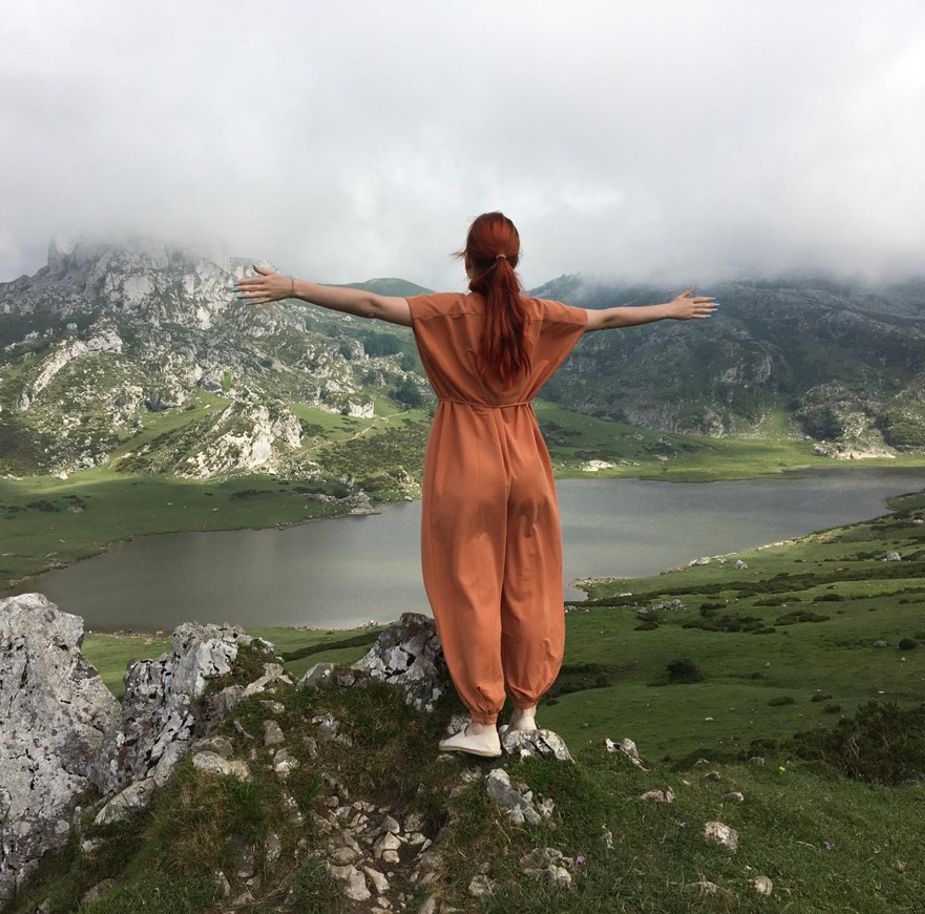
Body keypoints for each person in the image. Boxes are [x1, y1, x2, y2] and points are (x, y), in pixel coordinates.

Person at [236, 212, 717, 758]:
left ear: (468, 259)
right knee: (531, 577)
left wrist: (291, 287)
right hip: (526, 456)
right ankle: (526, 712)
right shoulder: (538, 315)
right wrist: (671, 310)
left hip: (467, 459)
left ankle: (483, 721)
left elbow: (370, 305)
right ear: (515, 261)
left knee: (470, 583)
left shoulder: (448, 311)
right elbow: (605, 317)